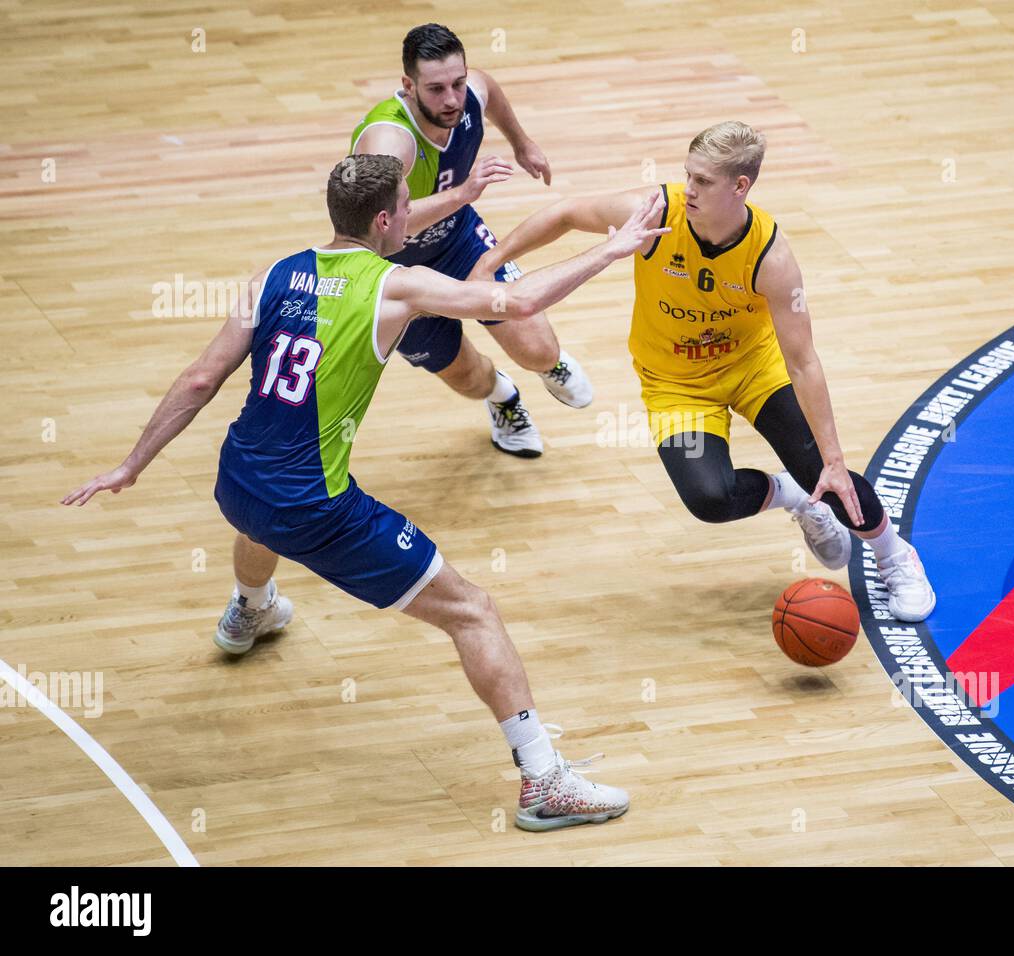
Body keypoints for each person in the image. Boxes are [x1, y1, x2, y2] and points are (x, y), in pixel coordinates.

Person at [61, 154, 670, 830]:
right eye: (406, 207)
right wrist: (613, 250)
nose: (413, 215)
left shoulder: (274, 272)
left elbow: (202, 379)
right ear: (385, 220)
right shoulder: (399, 286)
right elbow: (518, 301)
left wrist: (131, 464)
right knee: (472, 610)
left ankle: (251, 608)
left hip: (235, 478)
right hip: (316, 507)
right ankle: (543, 780)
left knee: (262, 512)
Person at [471, 122, 936, 621]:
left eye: (704, 182)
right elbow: (564, 212)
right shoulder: (655, 213)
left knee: (826, 473)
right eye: (688, 175)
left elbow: (803, 361)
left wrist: (834, 458)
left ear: (741, 186)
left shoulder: (770, 256)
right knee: (710, 499)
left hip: (753, 369)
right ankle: (793, 496)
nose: (689, 190)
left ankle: (894, 554)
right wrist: (491, 260)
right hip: (676, 383)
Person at [351, 22, 588, 457]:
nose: (452, 99)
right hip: (396, 274)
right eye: (436, 88)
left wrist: (522, 142)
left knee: (538, 350)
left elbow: (489, 90)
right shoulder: (388, 142)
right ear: (408, 85)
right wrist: (462, 193)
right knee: (467, 380)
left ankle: (546, 366)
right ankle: (503, 398)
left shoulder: (470, 92)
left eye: (457, 83)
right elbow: (377, 222)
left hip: (458, 240)